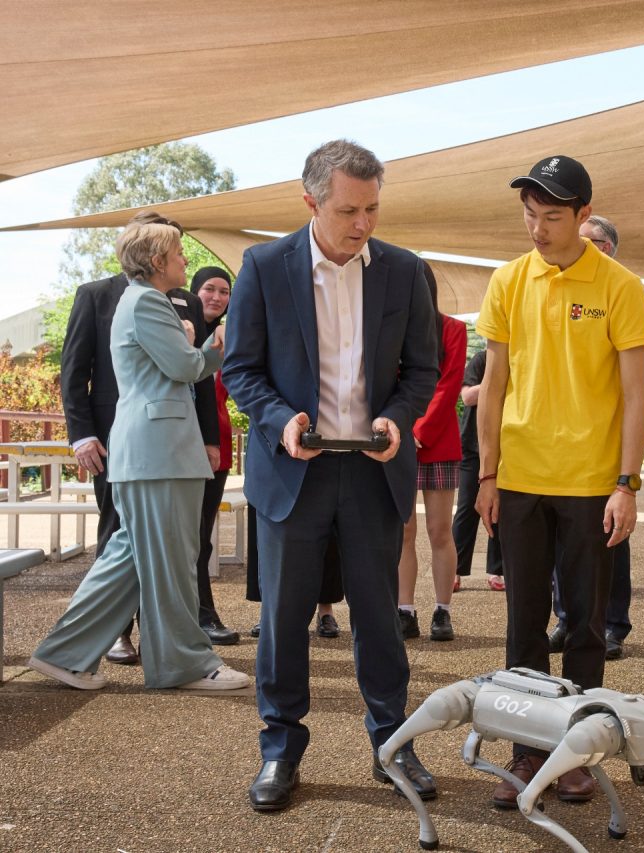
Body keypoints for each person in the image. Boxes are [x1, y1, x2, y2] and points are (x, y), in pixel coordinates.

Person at [222, 140, 438, 813]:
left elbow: (422, 371)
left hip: (374, 473)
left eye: (373, 208)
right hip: (295, 473)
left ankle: (393, 741)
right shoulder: (262, 266)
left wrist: (398, 419)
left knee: (379, 617)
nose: (363, 223)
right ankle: (280, 748)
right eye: (349, 209)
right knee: (285, 622)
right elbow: (240, 370)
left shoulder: (405, 271)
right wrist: (281, 418)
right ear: (310, 200)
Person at [475, 155, 644, 808]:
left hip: (588, 483)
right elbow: (493, 385)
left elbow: (637, 395)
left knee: (584, 625)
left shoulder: (619, 285)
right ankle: (526, 751)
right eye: (529, 213)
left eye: (552, 216)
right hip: (519, 480)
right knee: (523, 627)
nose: (537, 227)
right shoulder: (508, 280)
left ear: (583, 215)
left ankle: (578, 751)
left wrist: (627, 481)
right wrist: (487, 471)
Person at [28, 218, 250, 692]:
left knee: (130, 558)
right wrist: (214, 345)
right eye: (177, 254)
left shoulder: (139, 300)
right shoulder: (147, 300)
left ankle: (64, 656)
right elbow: (185, 367)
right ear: (156, 262)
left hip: (153, 451)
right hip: (157, 451)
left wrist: (194, 343)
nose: (184, 260)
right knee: (170, 561)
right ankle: (185, 665)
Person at [60, 210, 181, 667]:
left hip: (171, 441)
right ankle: (114, 634)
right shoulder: (96, 295)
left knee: (167, 542)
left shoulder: (179, 297)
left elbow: (196, 383)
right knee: (118, 536)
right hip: (113, 442)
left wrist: (208, 438)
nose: (179, 256)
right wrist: (82, 435)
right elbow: (74, 372)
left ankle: (162, 639)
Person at [548, 214, 644, 661]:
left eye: (586, 240)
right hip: (560, 441)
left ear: (608, 247)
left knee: (611, 533)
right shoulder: (555, 292)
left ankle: (611, 624)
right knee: (561, 535)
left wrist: (635, 441)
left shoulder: (631, 293)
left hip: (611, 442)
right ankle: (565, 618)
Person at [398, 285, 468, 641]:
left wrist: (419, 431)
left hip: (437, 440)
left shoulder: (453, 329)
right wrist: (399, 428)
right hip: (396, 439)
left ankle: (443, 611)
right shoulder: (391, 326)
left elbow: (449, 384)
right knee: (403, 532)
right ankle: (404, 610)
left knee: (440, 531)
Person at [176, 265, 240, 645]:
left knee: (203, 534)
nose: (216, 297)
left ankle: (204, 614)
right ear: (193, 291)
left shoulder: (232, 336)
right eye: (209, 289)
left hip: (217, 441)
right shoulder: (174, 328)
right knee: (180, 535)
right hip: (181, 440)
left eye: (224, 291)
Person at [452, 345, 505, 590]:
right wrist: (496, 381)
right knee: (466, 509)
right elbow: (467, 396)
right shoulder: (481, 360)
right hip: (472, 447)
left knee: (499, 510)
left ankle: (497, 571)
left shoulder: (515, 358)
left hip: (502, 446)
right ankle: (455, 570)